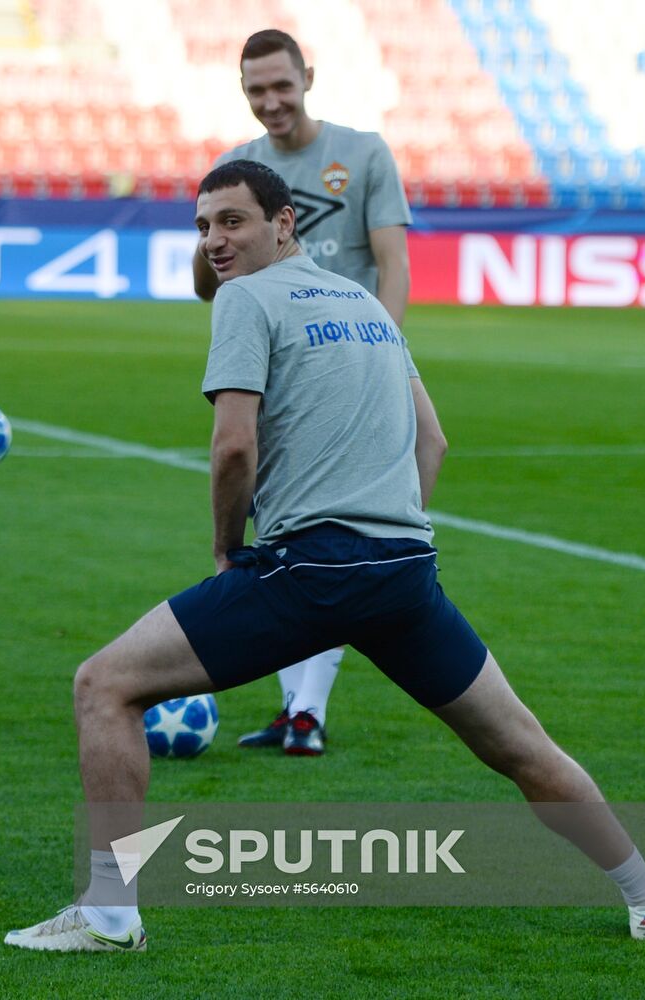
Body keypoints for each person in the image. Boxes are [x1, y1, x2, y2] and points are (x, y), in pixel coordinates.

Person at [5, 161, 645, 951]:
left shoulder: (246, 299)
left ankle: (109, 914)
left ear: (283, 222)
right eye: (203, 226)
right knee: (519, 745)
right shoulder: (365, 305)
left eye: (232, 221)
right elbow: (433, 440)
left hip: (308, 571)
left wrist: (228, 548)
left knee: (105, 685)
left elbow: (233, 447)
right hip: (402, 575)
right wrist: (389, 535)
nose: (214, 241)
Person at [194, 29, 414, 755]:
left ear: (307, 78)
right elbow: (207, 278)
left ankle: (306, 711)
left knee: (329, 527)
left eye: (281, 86)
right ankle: (302, 711)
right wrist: (214, 240)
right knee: (292, 529)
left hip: (351, 358)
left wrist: (385, 352)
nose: (270, 102)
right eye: (255, 90)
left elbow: (392, 264)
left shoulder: (364, 153)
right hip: (277, 360)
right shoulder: (241, 168)